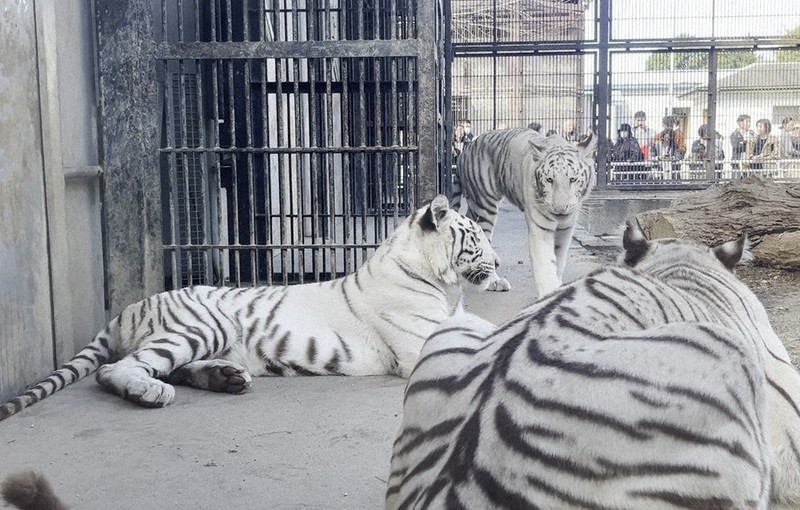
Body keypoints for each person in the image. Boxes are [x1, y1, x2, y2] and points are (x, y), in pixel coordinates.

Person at [730, 114, 754, 179]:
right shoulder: (734, 134)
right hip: (737, 162)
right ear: (740, 123)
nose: (749, 124)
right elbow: (735, 146)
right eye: (747, 121)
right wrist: (746, 142)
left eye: (749, 121)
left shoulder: (752, 134)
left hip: (750, 162)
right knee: (737, 181)